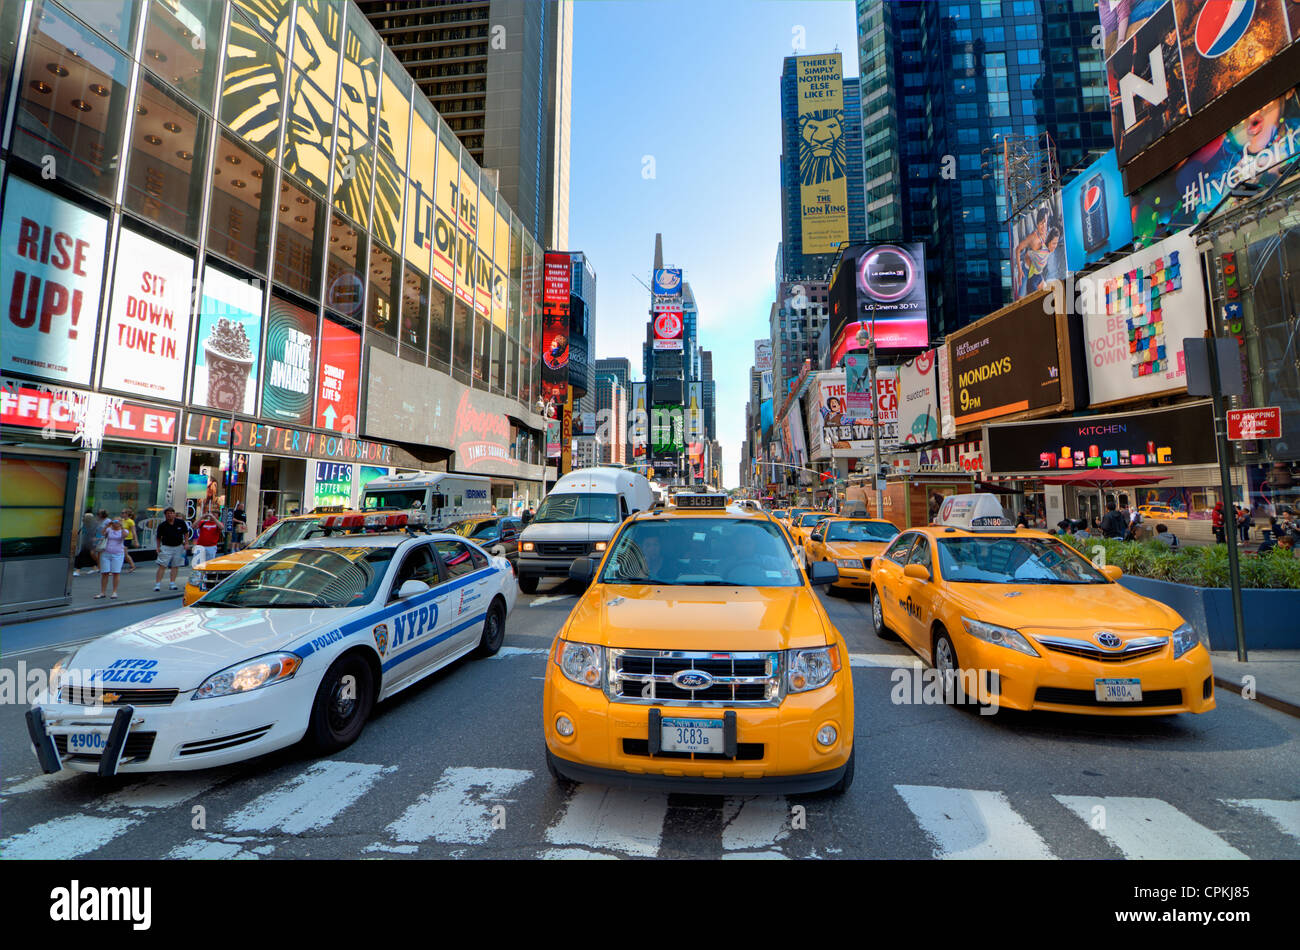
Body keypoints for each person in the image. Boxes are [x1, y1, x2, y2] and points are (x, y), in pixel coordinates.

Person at [154, 507, 191, 591]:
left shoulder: (181, 523)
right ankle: (158, 584)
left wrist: (186, 543)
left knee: (175, 565)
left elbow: (186, 533)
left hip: (178, 546)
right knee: (162, 565)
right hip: (166, 547)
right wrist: (158, 547)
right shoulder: (162, 525)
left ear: (174, 514)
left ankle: (172, 583)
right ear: (165, 515)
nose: (170, 515)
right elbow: (158, 537)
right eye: (168, 513)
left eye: (171, 513)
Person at [95, 516, 127, 599]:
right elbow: (102, 533)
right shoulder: (109, 530)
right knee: (104, 573)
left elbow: (124, 536)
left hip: (118, 554)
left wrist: (121, 526)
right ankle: (102, 592)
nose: (116, 523)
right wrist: (107, 525)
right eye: (115, 521)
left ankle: (114, 592)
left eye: (118, 521)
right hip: (106, 553)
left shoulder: (123, 530)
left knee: (116, 572)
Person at [73, 510, 98, 576]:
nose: (83, 518)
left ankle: (77, 570)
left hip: (89, 544)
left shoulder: (93, 525)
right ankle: (94, 568)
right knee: (88, 556)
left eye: (84, 517)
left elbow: (95, 534)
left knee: (80, 556)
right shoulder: (85, 525)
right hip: (85, 543)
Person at [120, 508, 137, 572]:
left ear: (127, 514)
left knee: (125, 553)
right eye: (122, 513)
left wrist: (135, 541)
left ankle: (132, 566)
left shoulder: (130, 521)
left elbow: (133, 531)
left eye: (123, 513)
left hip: (127, 539)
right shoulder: (122, 520)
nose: (122, 514)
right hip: (121, 538)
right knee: (122, 553)